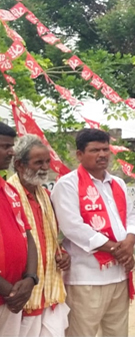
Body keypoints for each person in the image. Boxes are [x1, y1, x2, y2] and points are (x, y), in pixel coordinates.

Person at [52, 128, 135, 337]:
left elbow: (132, 217)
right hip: (86, 278)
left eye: (105, 149)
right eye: (94, 150)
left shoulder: (117, 183)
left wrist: (128, 244)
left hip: (119, 275)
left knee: (117, 332)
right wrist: (115, 249)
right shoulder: (67, 184)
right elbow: (73, 226)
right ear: (79, 155)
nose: (102, 155)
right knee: (82, 333)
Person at [9, 135, 70, 337]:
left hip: (49, 293)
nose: (45, 167)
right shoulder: (9, 195)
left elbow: (49, 237)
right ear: (19, 164)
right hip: (22, 293)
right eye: (38, 162)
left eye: (47, 161)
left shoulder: (44, 195)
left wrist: (61, 253)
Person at [0, 123, 37, 337]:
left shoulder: (10, 190)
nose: (11, 152)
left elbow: (28, 235)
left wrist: (31, 278)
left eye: (11, 146)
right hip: (10, 294)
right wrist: (9, 290)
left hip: (12, 298)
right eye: (5, 146)